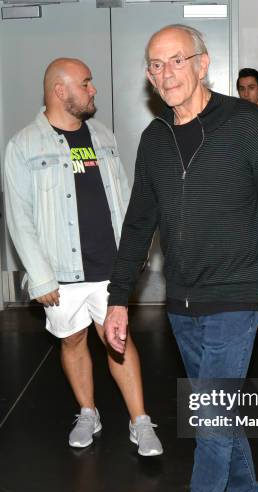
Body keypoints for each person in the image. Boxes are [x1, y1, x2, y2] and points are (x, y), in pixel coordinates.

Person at [104, 24, 258, 492]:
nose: (165, 74)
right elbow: (139, 222)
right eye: (154, 66)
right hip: (180, 301)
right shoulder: (155, 137)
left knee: (210, 415)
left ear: (201, 63)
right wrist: (120, 300)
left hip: (235, 296)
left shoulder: (245, 125)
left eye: (175, 62)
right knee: (213, 410)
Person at [4, 58, 162, 456]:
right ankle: (88, 411)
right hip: (61, 273)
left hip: (110, 268)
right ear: (61, 91)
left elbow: (125, 198)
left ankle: (140, 420)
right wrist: (39, 276)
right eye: (86, 84)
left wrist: (133, 253)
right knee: (73, 342)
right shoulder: (24, 145)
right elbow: (19, 217)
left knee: (118, 341)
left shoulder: (103, 135)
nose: (93, 90)